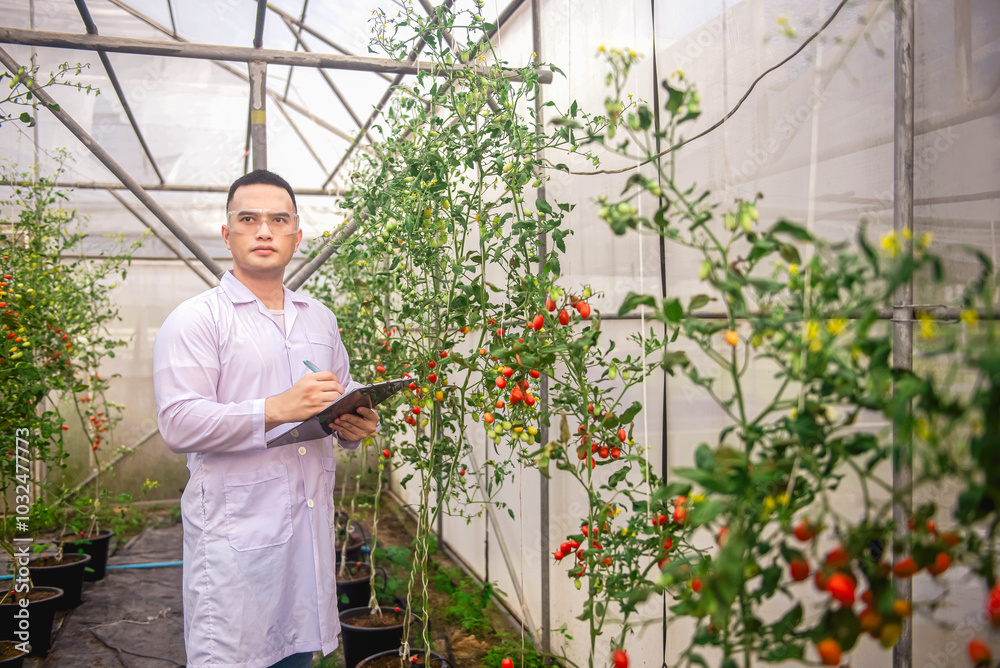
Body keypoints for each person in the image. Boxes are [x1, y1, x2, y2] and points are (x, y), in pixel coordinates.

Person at [152, 169, 379, 668]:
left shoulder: (319, 318)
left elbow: (338, 396)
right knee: (237, 655)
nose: (263, 230)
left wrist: (352, 428)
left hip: (306, 537)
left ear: (297, 236)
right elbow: (178, 422)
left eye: (278, 220)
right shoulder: (197, 319)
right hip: (237, 544)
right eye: (248, 218)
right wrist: (275, 408)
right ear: (227, 232)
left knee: (297, 654)